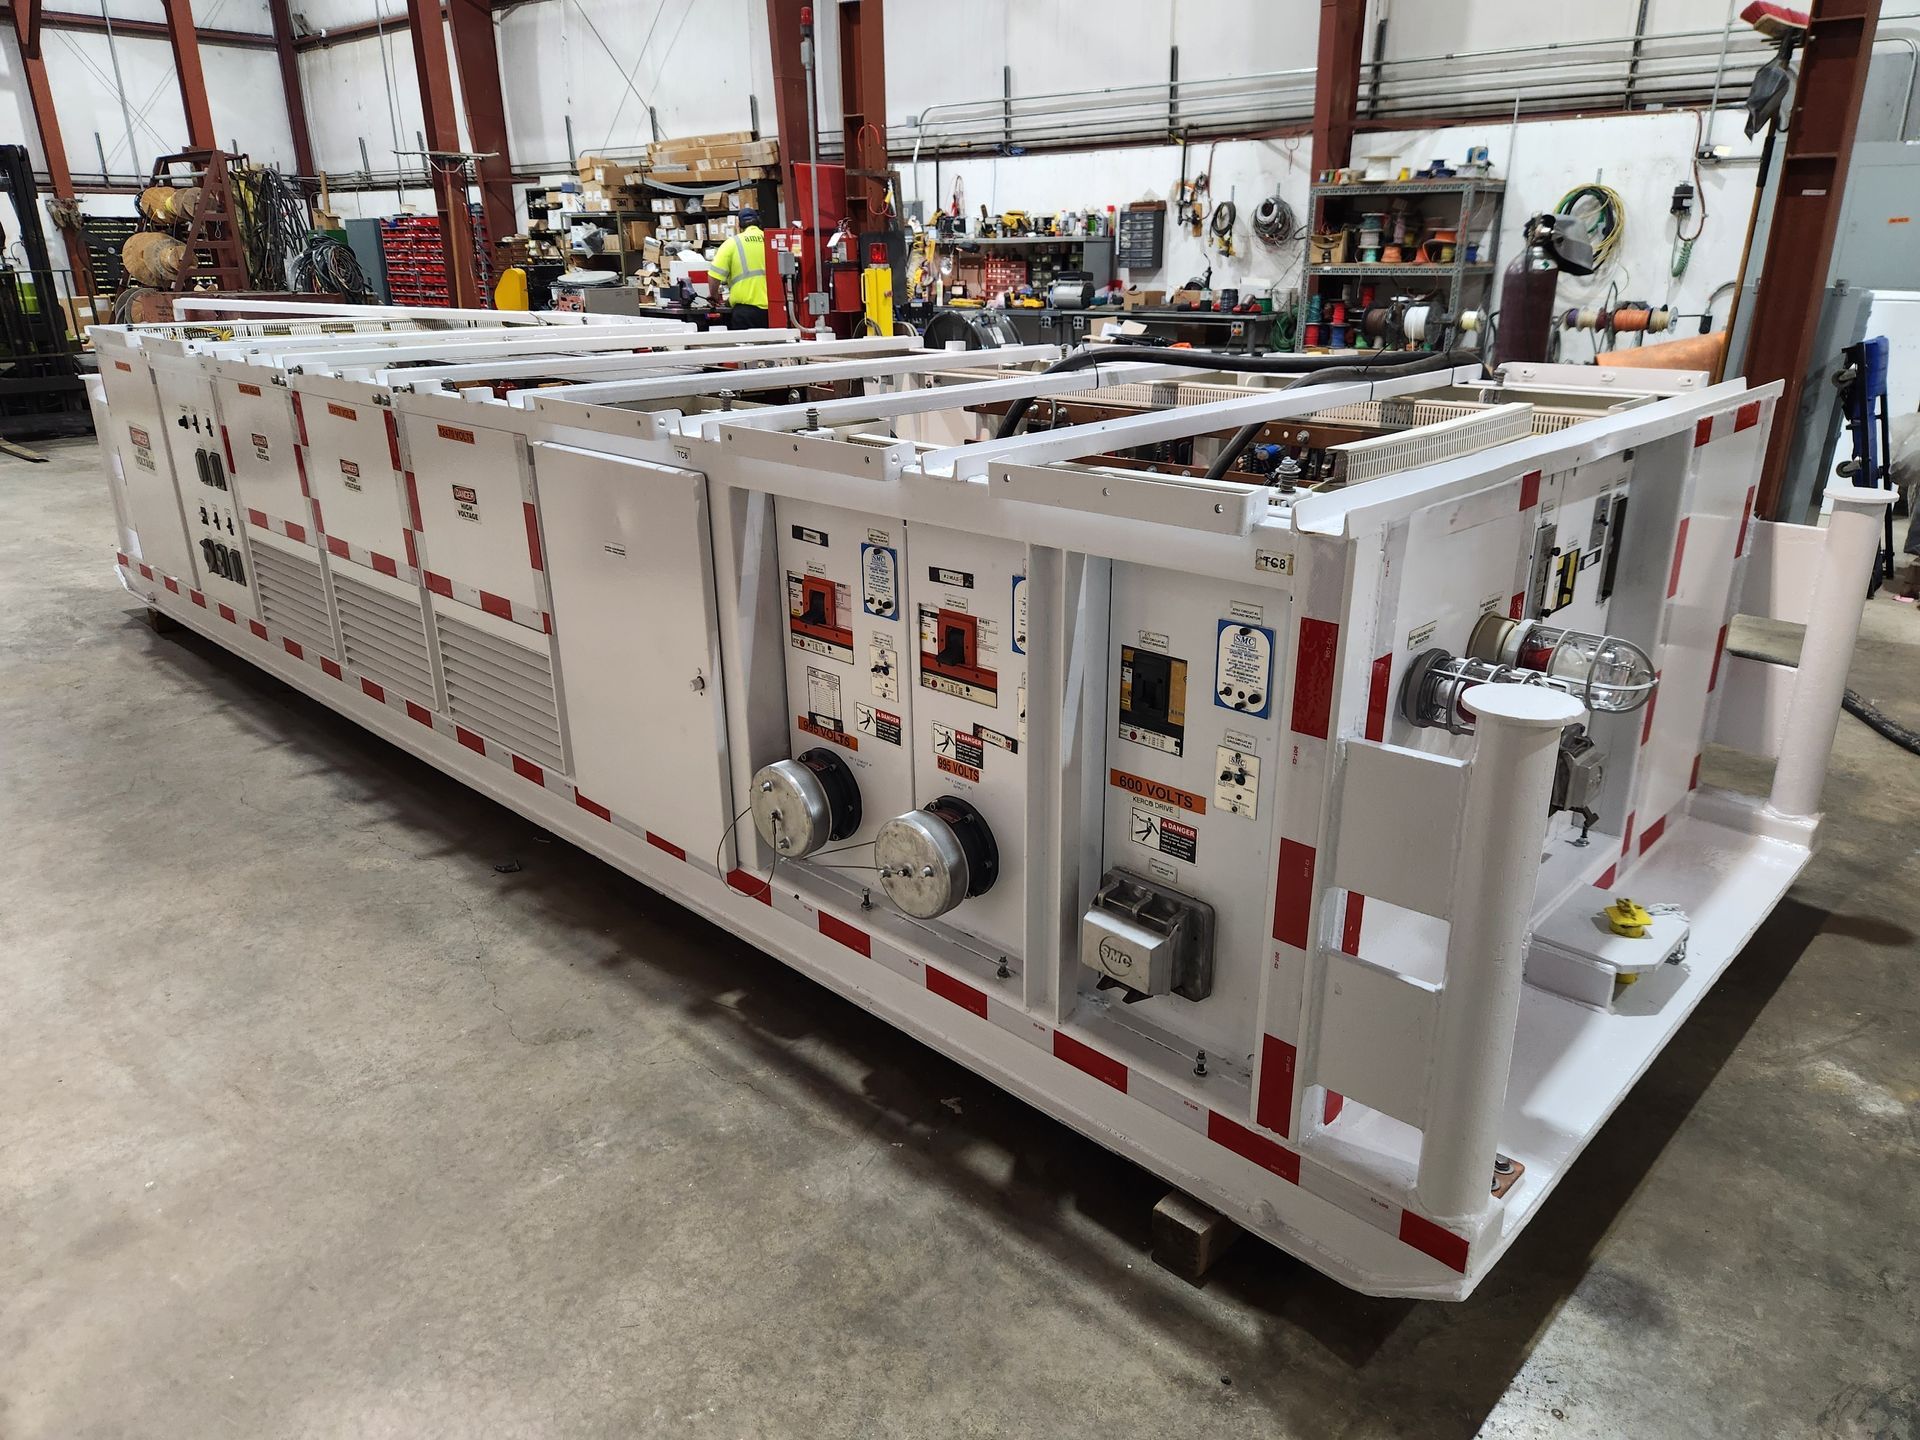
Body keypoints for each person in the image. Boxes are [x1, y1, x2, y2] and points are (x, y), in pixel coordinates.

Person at [708, 207, 768, 329]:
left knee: (747, 347)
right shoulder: (771, 239)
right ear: (758, 222)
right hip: (775, 309)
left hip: (746, 312)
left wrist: (714, 296)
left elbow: (714, 275)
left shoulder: (732, 243)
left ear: (739, 225)